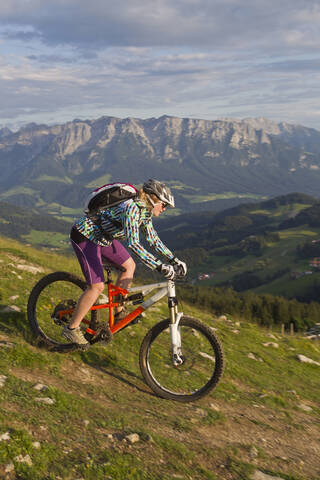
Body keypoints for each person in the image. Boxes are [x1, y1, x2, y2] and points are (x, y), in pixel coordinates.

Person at [62, 179, 187, 345]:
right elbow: (134, 244)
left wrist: (174, 259)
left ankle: (119, 311)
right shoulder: (131, 209)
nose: (164, 209)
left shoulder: (145, 212)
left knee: (129, 266)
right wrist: (159, 265)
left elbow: (153, 239)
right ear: (153, 199)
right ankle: (71, 329)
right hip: (86, 235)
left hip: (104, 238)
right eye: (163, 205)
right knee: (97, 287)